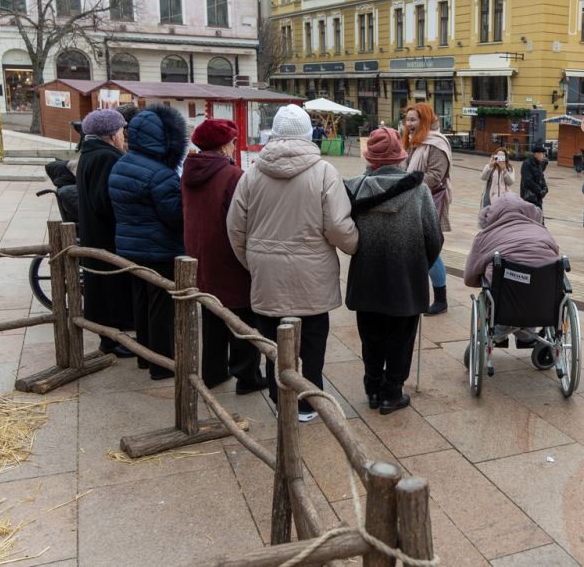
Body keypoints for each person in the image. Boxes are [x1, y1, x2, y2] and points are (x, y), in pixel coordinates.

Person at [228, 104, 359, 421]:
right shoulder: (324, 172)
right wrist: (354, 246)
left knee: (273, 339)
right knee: (312, 338)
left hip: (266, 273)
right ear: (307, 134)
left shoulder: (253, 173)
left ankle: (280, 399)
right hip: (311, 274)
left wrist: (253, 262)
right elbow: (338, 227)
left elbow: (235, 227)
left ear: (274, 133)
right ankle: (307, 403)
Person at [344, 128, 443, 415]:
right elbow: (434, 237)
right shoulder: (418, 190)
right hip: (405, 278)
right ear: (401, 158)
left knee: (371, 335)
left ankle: (373, 389)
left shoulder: (353, 188)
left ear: (369, 158)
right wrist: (417, 265)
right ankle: (391, 393)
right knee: (401, 337)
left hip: (366, 277)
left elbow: (343, 232)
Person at [181, 118, 266, 394]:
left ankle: (213, 372)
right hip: (228, 254)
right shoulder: (233, 175)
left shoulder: (189, 170)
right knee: (243, 315)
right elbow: (244, 220)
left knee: (212, 313)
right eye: (231, 142)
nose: (233, 147)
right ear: (222, 146)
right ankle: (247, 376)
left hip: (199, 252)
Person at [108, 104, 187, 379]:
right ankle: (162, 365)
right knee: (161, 307)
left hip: (130, 247)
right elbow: (175, 217)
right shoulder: (160, 173)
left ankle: (145, 357)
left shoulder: (122, 163)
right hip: (159, 248)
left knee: (141, 303)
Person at [465, 193, 560, 351]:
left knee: (501, 290)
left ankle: (499, 333)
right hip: (543, 302)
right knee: (531, 287)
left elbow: (469, 277)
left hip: (504, 304)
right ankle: (526, 335)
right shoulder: (544, 233)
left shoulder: (485, 236)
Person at [76, 109, 134, 359]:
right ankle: (111, 341)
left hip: (96, 231)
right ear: (111, 135)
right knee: (110, 287)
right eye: (121, 131)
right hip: (106, 234)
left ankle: (113, 337)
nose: (123, 136)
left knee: (107, 286)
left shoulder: (90, 154)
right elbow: (104, 202)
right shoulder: (105, 157)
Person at [402, 103, 452, 315]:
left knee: (429, 252)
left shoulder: (437, 143)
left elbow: (436, 175)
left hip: (428, 204)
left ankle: (441, 300)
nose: (409, 124)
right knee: (418, 250)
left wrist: (406, 184)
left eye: (413, 119)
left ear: (424, 121)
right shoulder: (413, 142)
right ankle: (416, 294)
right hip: (411, 202)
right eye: (407, 119)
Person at [478, 148, 515, 228]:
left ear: (506, 158)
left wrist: (504, 170)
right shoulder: (490, 167)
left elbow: (511, 182)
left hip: (504, 199)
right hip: (489, 198)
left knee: (501, 224)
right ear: (494, 156)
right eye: (498, 156)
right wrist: (490, 165)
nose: (500, 159)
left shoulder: (510, 168)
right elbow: (483, 177)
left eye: (502, 157)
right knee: (488, 223)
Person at [521, 145, 548, 212]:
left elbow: (542, 177)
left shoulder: (539, 164)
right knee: (530, 217)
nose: (544, 156)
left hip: (538, 199)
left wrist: (545, 188)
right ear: (537, 154)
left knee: (540, 217)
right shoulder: (527, 164)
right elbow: (528, 181)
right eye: (543, 154)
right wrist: (539, 191)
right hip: (529, 198)